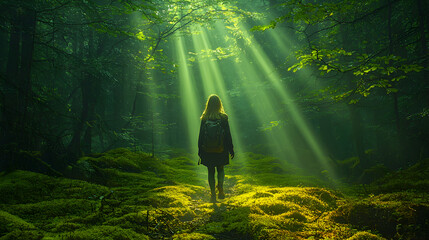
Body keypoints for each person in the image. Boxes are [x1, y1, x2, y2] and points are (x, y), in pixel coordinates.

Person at [198, 94, 234, 203]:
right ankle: (221, 189)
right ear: (219, 104)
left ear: (208, 104)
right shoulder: (223, 118)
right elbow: (228, 135)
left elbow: (200, 136)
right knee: (221, 169)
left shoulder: (205, 118)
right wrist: (231, 149)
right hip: (221, 149)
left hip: (207, 150)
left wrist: (200, 150)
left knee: (210, 171)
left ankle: (213, 194)